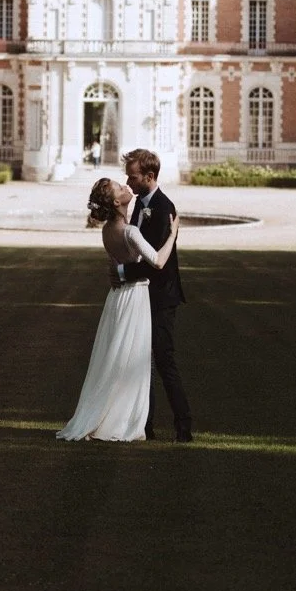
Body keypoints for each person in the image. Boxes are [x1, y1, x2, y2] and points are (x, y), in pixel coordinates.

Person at [55, 177, 179, 442]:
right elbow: (157, 261)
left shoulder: (106, 230)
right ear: (115, 201)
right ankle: (124, 419)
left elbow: (117, 265)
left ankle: (106, 413)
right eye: (120, 189)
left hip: (116, 297)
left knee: (114, 357)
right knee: (132, 358)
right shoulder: (130, 231)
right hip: (134, 297)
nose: (126, 187)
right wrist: (172, 235)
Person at [121, 148, 193, 443]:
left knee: (164, 360)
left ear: (149, 177)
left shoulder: (164, 208)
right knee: (141, 361)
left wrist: (124, 273)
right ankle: (145, 425)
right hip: (143, 294)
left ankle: (183, 425)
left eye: (133, 175)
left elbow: (156, 264)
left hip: (161, 296)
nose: (128, 181)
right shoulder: (139, 203)